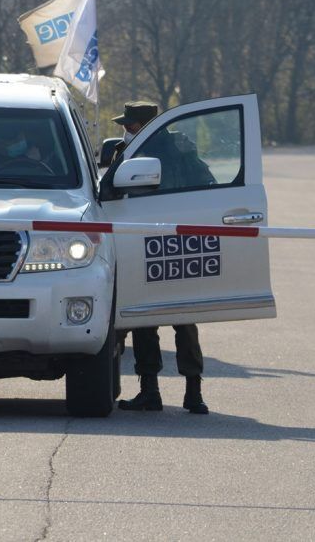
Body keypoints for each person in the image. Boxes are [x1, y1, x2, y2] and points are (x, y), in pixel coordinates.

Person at [102, 101, 211, 415]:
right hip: (180, 245)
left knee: (144, 320)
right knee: (185, 320)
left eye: (131, 125)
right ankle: (194, 393)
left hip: (145, 243)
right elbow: (209, 188)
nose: (126, 130)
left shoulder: (135, 154)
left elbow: (107, 192)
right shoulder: (186, 152)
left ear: (144, 127)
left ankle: (151, 391)